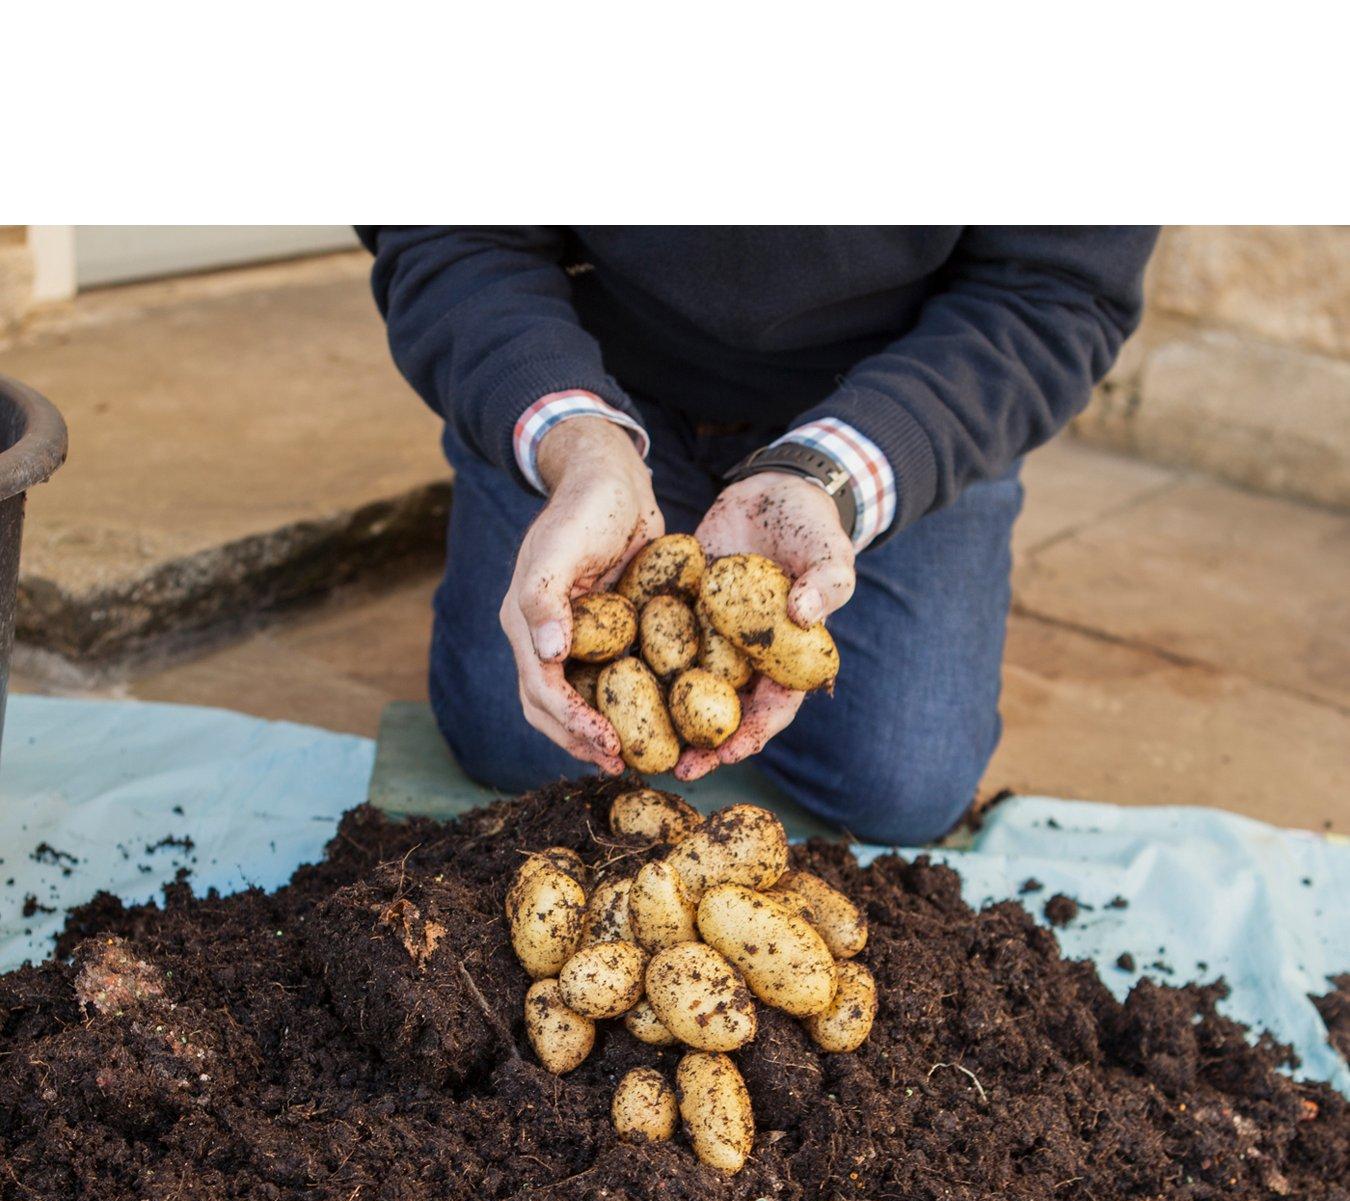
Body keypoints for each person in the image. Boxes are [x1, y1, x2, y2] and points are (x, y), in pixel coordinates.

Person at [357, 227, 1157, 843]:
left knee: (901, 784)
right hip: (591, 369)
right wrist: (575, 439)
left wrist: (829, 473)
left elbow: (1055, 292)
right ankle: (584, 455)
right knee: (517, 743)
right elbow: (447, 230)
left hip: (897, 398)